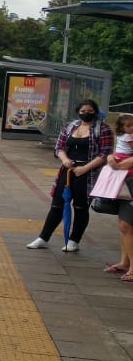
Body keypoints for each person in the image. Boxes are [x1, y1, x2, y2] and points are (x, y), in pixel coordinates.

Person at [27, 98, 114, 253]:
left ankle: (74, 240)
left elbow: (105, 153)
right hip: (67, 171)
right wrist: (65, 159)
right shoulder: (70, 126)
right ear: (78, 112)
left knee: (80, 207)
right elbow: (59, 146)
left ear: (95, 112)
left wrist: (85, 168)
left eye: (90, 111)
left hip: (88, 174)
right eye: (83, 111)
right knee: (57, 205)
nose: (86, 114)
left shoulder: (103, 129)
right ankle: (43, 237)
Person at [102, 113, 133, 278]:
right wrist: (110, 157)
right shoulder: (123, 136)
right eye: (127, 126)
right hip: (122, 180)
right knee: (123, 225)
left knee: (127, 226)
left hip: (129, 179)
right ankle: (124, 262)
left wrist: (122, 163)